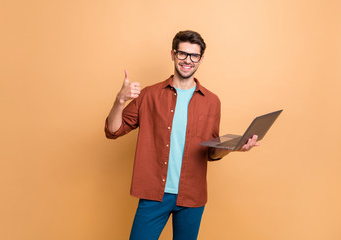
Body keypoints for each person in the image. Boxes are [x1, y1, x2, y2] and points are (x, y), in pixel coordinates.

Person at [105, 30, 259, 240]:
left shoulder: (212, 101)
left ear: (201, 59)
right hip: (153, 194)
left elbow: (211, 153)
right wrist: (120, 101)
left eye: (194, 55)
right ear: (173, 54)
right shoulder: (149, 95)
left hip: (192, 196)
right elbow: (113, 131)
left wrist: (234, 148)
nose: (188, 60)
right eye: (182, 54)